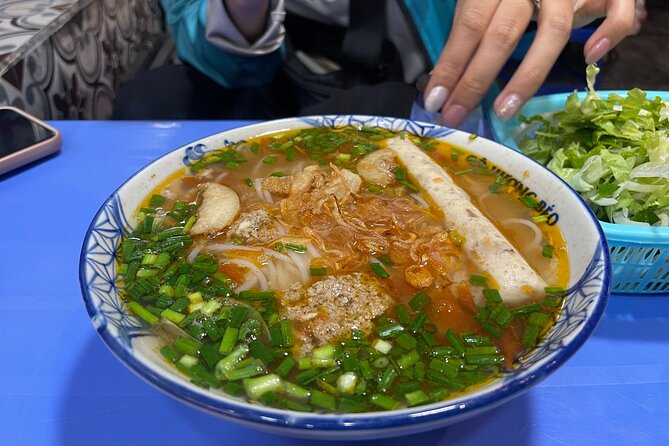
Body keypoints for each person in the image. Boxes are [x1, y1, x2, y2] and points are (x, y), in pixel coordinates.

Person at [113, 0, 638, 127]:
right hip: (287, 77)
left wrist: (568, 14)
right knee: (153, 100)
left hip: (435, 86)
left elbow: (588, 26)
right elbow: (210, 55)